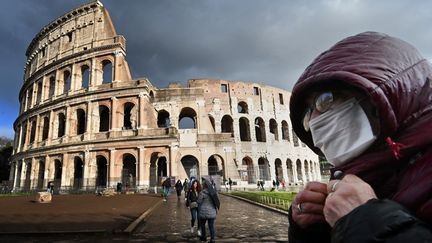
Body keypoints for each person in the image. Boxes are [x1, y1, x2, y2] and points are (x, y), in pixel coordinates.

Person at [288, 32, 432, 242]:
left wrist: (366, 221)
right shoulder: (365, 175)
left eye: (325, 99)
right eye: (307, 114)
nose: (313, 122)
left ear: (384, 96)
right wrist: (313, 231)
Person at [198, 178, 220, 243]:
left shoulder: (202, 193)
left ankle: (204, 238)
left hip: (203, 212)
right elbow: (217, 200)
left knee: (202, 225)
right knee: (211, 226)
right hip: (212, 212)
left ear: (204, 186)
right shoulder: (214, 192)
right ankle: (212, 239)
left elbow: (199, 201)